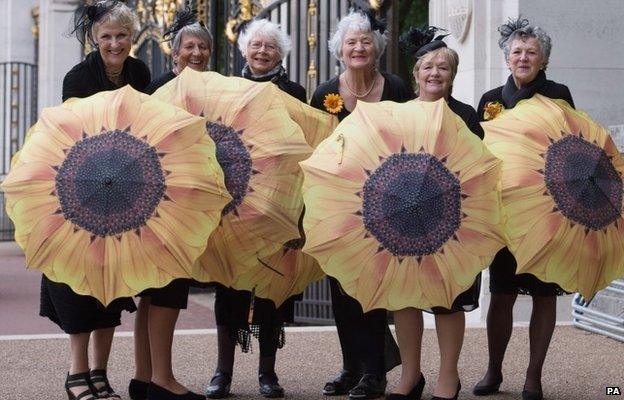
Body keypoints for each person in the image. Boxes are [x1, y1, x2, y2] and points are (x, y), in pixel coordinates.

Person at [41, 1, 150, 399]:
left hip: (125, 192)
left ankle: (101, 373)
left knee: (114, 284)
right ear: (94, 38)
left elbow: (147, 126)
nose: (115, 43)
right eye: (107, 36)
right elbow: (74, 133)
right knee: (79, 281)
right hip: (81, 188)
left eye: (122, 35)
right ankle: (76, 373)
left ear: (132, 36)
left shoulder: (139, 73)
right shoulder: (78, 77)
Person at [309, 10, 414, 400]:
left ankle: (375, 371)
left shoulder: (397, 87)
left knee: (373, 286)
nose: (358, 47)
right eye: (351, 42)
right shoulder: (324, 94)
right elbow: (317, 149)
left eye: (365, 41)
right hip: (340, 204)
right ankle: (352, 366)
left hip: (386, 203)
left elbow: (411, 139)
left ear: (377, 48)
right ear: (340, 49)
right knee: (341, 287)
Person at [203, 18, 306, 400]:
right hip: (232, 204)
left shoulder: (294, 92)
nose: (263, 52)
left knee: (270, 290)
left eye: (271, 47)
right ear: (244, 49)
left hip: (278, 202)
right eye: (257, 45)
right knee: (227, 286)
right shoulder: (226, 88)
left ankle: (267, 371)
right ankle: (222, 371)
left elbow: (304, 146)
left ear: (281, 54)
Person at [472, 18, 574, 400]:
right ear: (507, 58)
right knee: (501, 293)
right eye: (517, 52)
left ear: (544, 58)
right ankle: (494, 371)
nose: (524, 57)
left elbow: (571, 144)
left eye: (532, 52)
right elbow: (479, 153)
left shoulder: (559, 94)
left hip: (547, 211)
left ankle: (534, 376)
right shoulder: (490, 100)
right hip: (503, 210)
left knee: (545, 293)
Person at [384, 26, 484, 400]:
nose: (434, 73)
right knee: (406, 297)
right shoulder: (398, 113)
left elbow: (480, 170)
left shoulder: (466, 116)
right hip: (404, 221)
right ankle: (410, 375)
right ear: (416, 73)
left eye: (443, 67)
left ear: (453, 75)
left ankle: (448, 376)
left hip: (453, 222)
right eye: (428, 67)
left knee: (448, 298)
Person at [127, 8, 211, 400]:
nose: (196, 52)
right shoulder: (158, 89)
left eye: (203, 46)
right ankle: (162, 380)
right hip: (161, 201)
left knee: (157, 290)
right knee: (165, 289)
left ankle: (144, 378)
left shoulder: (215, 88)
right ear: (174, 53)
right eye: (189, 46)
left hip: (190, 198)